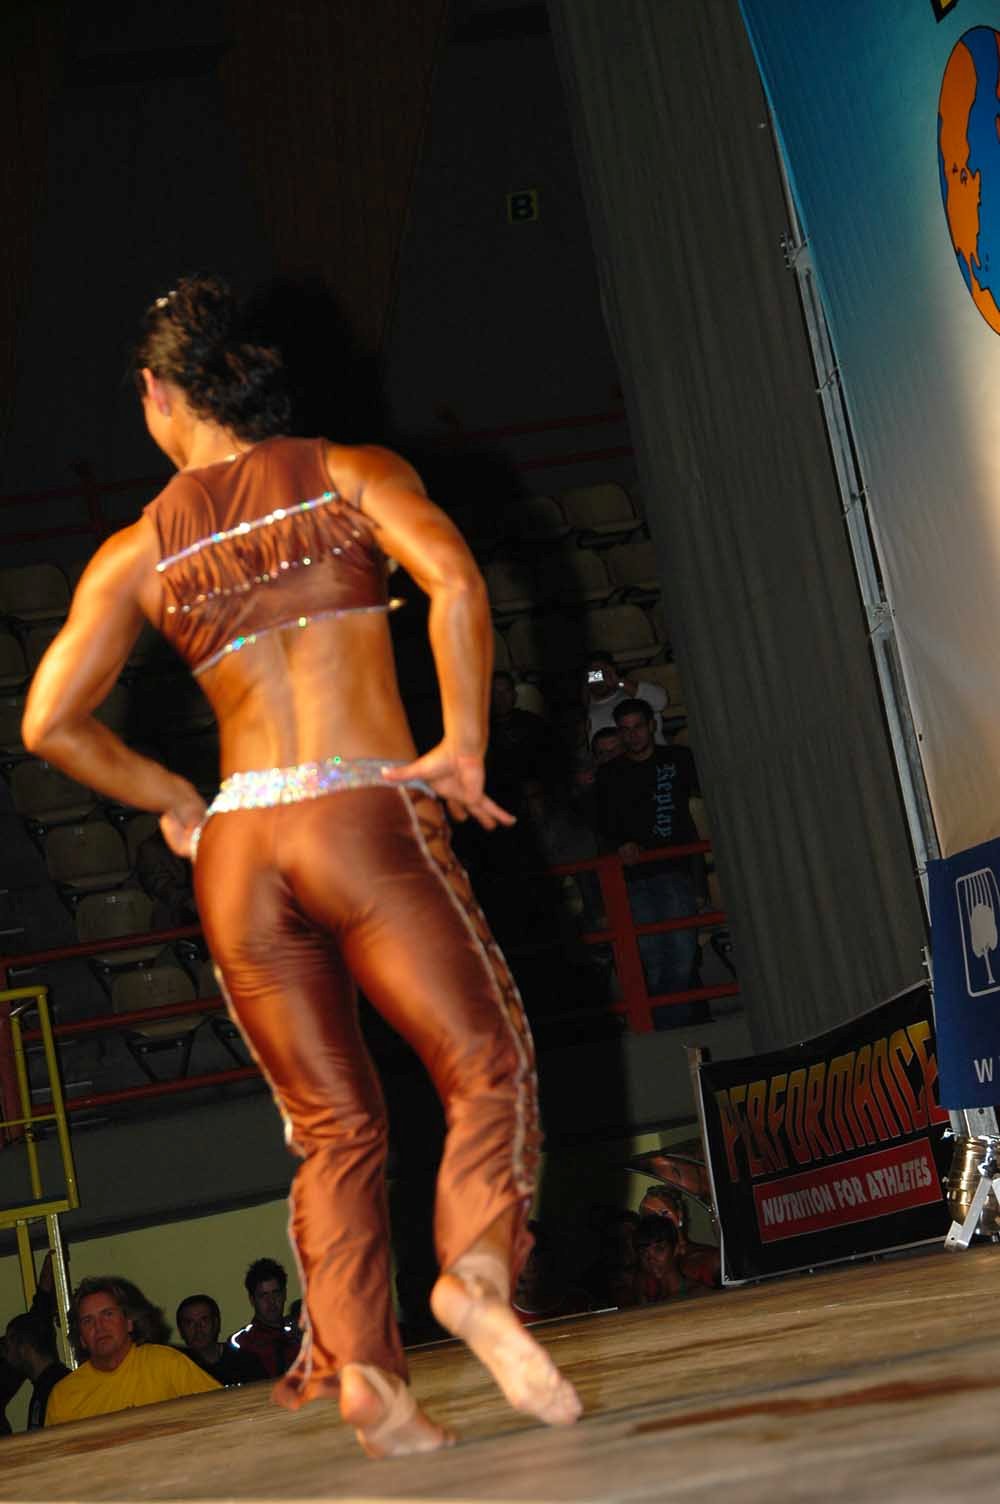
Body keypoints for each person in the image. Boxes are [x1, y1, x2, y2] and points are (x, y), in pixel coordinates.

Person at [22, 274, 580, 1457]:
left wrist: (176, 798)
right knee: (482, 1059)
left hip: (239, 846)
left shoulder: (135, 549)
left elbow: (49, 722)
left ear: (160, 394)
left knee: (332, 1127)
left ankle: (368, 1373)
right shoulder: (347, 472)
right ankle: (477, 1269)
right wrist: (462, 741)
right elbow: (455, 579)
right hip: (355, 812)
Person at [595, 699, 705, 1028]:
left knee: (681, 956)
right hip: (634, 877)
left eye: (638, 727)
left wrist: (698, 880)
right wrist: (620, 844)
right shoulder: (609, 774)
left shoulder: (678, 759)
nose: (633, 735)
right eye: (626, 729)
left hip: (676, 871)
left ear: (651, 725)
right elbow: (601, 823)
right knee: (652, 962)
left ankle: (671, 1031)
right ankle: (669, 1032)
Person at [45, 1277, 219, 1426]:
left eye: (108, 1314)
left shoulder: (167, 1364)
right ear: (81, 1338)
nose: (99, 1327)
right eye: (88, 1321)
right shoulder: (63, 1396)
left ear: (129, 1322)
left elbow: (222, 1411)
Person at [228, 1259, 300, 1378]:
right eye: (263, 1295)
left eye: (276, 1293)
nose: (271, 1301)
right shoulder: (240, 1343)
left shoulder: (300, 1334)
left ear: (284, 1294)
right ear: (252, 1300)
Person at [176, 1294, 268, 1386]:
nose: (198, 1328)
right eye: (189, 1323)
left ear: (216, 1323)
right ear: (180, 1330)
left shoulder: (245, 1362)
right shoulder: (176, 1369)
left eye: (204, 1320)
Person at [583, 652, 669, 747]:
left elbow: (661, 701)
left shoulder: (632, 694)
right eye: (593, 674)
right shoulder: (584, 709)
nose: (598, 678)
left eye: (602, 672)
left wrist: (618, 682)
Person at [3, 1313, 70, 1430]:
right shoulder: (43, 1385)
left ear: (23, 1347)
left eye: (8, 1348)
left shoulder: (59, 1387)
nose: (6, 1357)